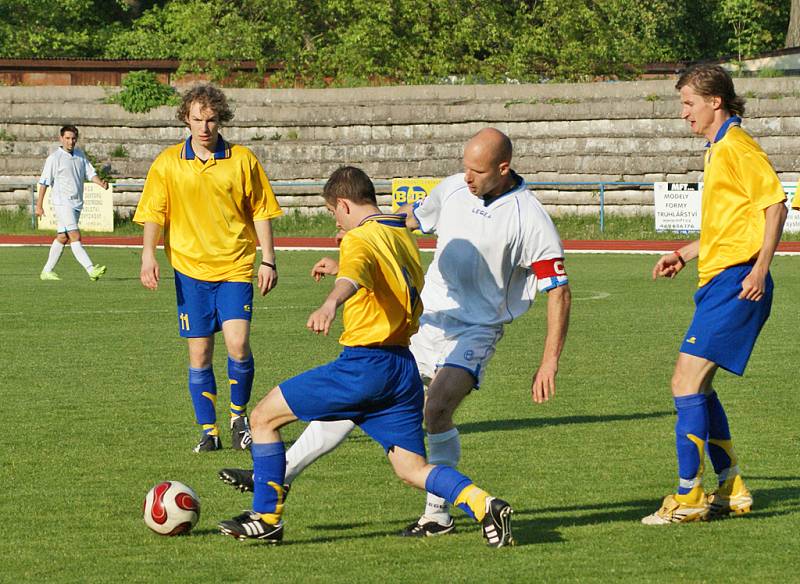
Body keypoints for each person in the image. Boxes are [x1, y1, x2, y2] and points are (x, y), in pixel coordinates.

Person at [219, 128, 571, 537]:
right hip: (423, 322)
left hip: (476, 328)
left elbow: (559, 292)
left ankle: (435, 516)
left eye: (477, 170)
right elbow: (404, 223)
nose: (467, 177)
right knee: (383, 438)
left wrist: (549, 361)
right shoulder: (454, 188)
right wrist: (357, 258)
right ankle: (280, 474)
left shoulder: (529, 218)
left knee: (435, 410)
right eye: (464, 167)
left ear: (503, 168)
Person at [643, 64, 787, 525]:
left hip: (738, 281)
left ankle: (689, 498)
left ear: (714, 101)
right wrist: (685, 253)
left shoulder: (736, 147)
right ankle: (732, 487)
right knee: (699, 387)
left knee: (684, 383)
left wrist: (760, 270)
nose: (684, 113)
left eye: (688, 103)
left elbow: (776, 205)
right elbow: (733, 224)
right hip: (719, 279)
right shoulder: (718, 148)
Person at [133, 84, 282, 453]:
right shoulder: (168, 162)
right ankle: (208, 430)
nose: (204, 126)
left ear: (221, 119)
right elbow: (154, 213)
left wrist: (268, 259)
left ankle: (238, 418)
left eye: (211, 119)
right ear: (186, 118)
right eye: (197, 119)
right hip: (189, 271)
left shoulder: (243, 159)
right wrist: (147, 255)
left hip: (234, 266)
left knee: (238, 344)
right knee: (199, 354)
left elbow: (261, 210)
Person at [36, 125, 108, 281]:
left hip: (76, 203)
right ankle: (91, 270)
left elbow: (91, 173)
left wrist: (100, 183)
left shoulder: (80, 155)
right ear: (61, 139)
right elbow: (44, 182)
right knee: (75, 235)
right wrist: (39, 205)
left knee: (62, 237)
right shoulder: (54, 158)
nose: (70, 141)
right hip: (62, 203)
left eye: (73, 138)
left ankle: (46, 271)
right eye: (67, 138)